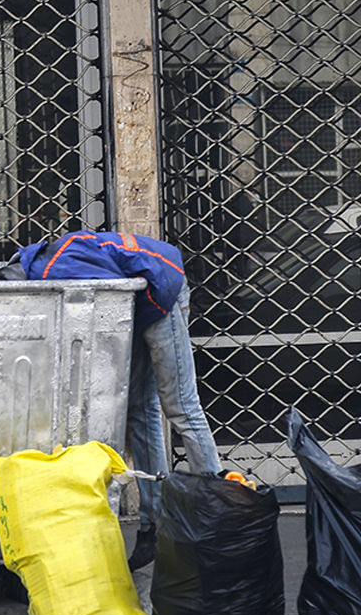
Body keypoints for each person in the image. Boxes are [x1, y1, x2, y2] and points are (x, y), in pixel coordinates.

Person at [14, 231, 222, 570]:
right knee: (140, 412)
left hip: (162, 291)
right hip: (142, 301)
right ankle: (153, 528)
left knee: (181, 407)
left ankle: (218, 512)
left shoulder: (56, 268)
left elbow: (113, 296)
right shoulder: (50, 262)